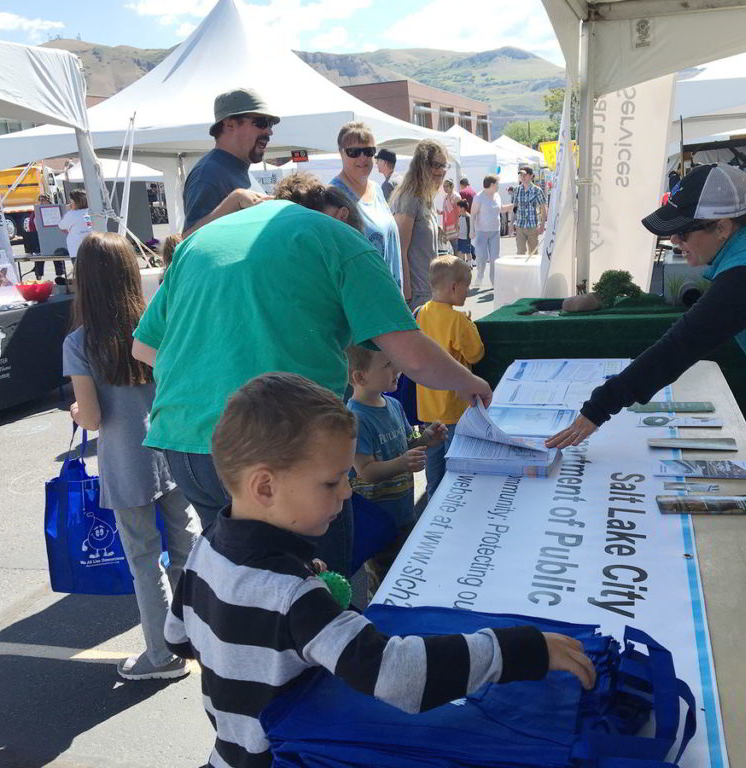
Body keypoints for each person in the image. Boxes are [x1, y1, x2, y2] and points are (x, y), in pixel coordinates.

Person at [165, 372, 595, 768]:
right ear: (265, 487)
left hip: (228, 753)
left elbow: (178, 638)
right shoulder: (292, 595)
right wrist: (519, 649)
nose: (347, 493)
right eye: (332, 481)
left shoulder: (207, 550)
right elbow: (396, 675)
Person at [132, 193, 492, 575]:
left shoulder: (198, 242)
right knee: (317, 593)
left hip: (186, 444)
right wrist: (469, 382)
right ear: (342, 215)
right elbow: (412, 354)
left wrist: (210, 376)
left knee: (237, 588)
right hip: (284, 450)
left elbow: (144, 346)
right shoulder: (339, 240)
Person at [547, 163, 746, 451]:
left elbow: (681, 345)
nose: (673, 240)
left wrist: (598, 408)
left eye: (682, 231)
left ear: (723, 227)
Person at [65, 231, 201, 681]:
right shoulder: (157, 323)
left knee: (146, 561)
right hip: (173, 448)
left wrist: (75, 410)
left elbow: (91, 416)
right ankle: (196, 636)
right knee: (187, 549)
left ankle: (161, 656)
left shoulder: (81, 343)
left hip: (125, 462)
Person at [345, 345, 446, 577]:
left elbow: (405, 448)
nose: (398, 368)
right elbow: (366, 472)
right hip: (378, 521)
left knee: (406, 570)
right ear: (360, 377)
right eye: (388, 364)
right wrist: (403, 463)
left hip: (403, 512)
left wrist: (426, 440)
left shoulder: (394, 405)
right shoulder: (355, 419)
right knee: (385, 578)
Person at [415, 255, 485, 494]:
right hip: (454, 408)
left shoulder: (421, 312)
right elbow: (475, 354)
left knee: (433, 468)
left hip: (428, 407)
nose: (467, 293)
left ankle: (431, 504)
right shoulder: (457, 319)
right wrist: (470, 325)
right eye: (466, 287)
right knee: (455, 468)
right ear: (454, 287)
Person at [182, 87, 279, 233]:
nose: (269, 131)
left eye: (270, 124)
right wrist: (234, 201)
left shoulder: (234, 169)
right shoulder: (208, 174)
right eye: (261, 122)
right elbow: (188, 241)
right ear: (229, 125)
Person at [329, 122, 404, 289]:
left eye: (369, 151)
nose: (362, 158)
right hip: (364, 300)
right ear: (341, 153)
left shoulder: (376, 189)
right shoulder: (333, 197)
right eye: (354, 152)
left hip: (391, 296)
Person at [390, 139, 449, 310]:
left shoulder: (426, 198)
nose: (442, 171)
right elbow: (400, 250)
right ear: (422, 166)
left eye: (444, 166)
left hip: (429, 291)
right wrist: (407, 297)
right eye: (436, 165)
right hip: (416, 295)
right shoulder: (409, 198)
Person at [470, 175, 514, 289]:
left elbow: (501, 208)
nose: (498, 186)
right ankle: (480, 275)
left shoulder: (497, 195)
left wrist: (513, 206)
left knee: (495, 257)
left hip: (495, 231)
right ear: (491, 185)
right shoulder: (478, 197)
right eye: (497, 184)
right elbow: (473, 214)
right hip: (481, 231)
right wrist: (472, 230)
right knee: (482, 257)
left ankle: (494, 280)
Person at [30, 193, 67, 284]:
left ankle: (60, 277)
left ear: (48, 200)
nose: (41, 202)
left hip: (53, 235)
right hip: (39, 236)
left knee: (57, 256)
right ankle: (38, 278)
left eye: (43, 200)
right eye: (40, 200)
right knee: (39, 259)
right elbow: (32, 225)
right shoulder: (36, 212)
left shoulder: (54, 209)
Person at [513, 166, 548, 255]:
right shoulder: (517, 189)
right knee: (520, 252)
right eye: (521, 175)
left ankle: (532, 269)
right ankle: (521, 269)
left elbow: (543, 207)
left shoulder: (537, 190)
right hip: (520, 226)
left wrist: (542, 225)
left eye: (525, 175)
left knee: (533, 253)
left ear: (531, 176)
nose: (522, 177)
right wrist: (511, 224)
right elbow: (514, 207)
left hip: (532, 226)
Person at [58, 189, 92, 264]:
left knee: (81, 273)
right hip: (92, 246)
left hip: (77, 249)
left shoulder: (71, 214)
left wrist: (68, 210)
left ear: (74, 202)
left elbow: (61, 226)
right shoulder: (91, 211)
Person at [441, 179, 461, 253]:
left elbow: (459, 211)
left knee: (457, 247)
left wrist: (457, 223)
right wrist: (441, 212)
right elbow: (447, 210)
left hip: (454, 226)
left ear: (451, 186)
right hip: (447, 225)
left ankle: (460, 263)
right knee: (453, 248)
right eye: (444, 187)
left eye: (446, 186)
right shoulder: (446, 196)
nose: (445, 188)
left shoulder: (456, 197)